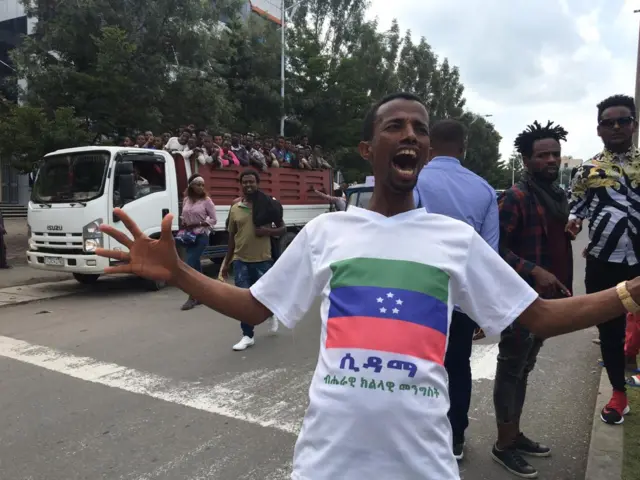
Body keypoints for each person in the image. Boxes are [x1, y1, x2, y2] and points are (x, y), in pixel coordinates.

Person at [96, 92, 640, 480]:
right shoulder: (326, 232)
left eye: (420, 129)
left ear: (428, 152)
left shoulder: (454, 240)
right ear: (366, 149)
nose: (410, 135)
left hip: (423, 463)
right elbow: (255, 308)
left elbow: (538, 316)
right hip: (328, 462)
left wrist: (629, 292)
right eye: (395, 126)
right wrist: (178, 273)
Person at [412, 118, 499, 461]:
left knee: (414, 368)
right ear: (464, 148)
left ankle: (416, 436)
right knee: (457, 368)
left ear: (429, 147)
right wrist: (479, 310)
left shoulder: (413, 181)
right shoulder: (484, 190)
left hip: (416, 297)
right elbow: (487, 256)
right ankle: (455, 438)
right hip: (460, 301)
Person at [492, 120, 573, 478]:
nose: (552, 160)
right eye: (543, 155)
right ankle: (503, 445)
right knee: (511, 368)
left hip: (547, 300)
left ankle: (515, 434)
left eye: (555, 154)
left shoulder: (556, 195)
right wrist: (533, 270)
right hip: (520, 299)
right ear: (526, 161)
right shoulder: (516, 197)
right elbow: (494, 248)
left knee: (524, 368)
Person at [567, 94, 640, 425]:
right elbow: (576, 206)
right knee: (610, 331)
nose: (615, 127)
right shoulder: (587, 169)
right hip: (603, 262)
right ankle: (618, 394)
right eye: (608, 122)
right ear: (599, 129)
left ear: (634, 125)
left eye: (622, 120)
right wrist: (574, 221)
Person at [220, 169, 283, 350]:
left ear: (257, 183)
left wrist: (268, 232)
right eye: (245, 182)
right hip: (241, 260)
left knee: (266, 295)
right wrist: (226, 262)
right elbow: (232, 237)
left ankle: (271, 313)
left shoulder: (268, 205)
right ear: (240, 184)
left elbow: (282, 228)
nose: (248, 185)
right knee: (244, 301)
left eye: (251, 182)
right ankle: (247, 335)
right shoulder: (235, 208)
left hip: (263, 259)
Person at [178, 174, 217, 311]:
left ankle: (192, 297)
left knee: (189, 265)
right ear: (191, 186)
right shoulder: (187, 199)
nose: (200, 187)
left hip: (201, 235)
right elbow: (185, 215)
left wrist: (201, 223)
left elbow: (213, 219)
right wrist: (184, 223)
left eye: (202, 185)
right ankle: (202, 295)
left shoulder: (207, 201)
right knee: (195, 267)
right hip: (189, 236)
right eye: (197, 184)